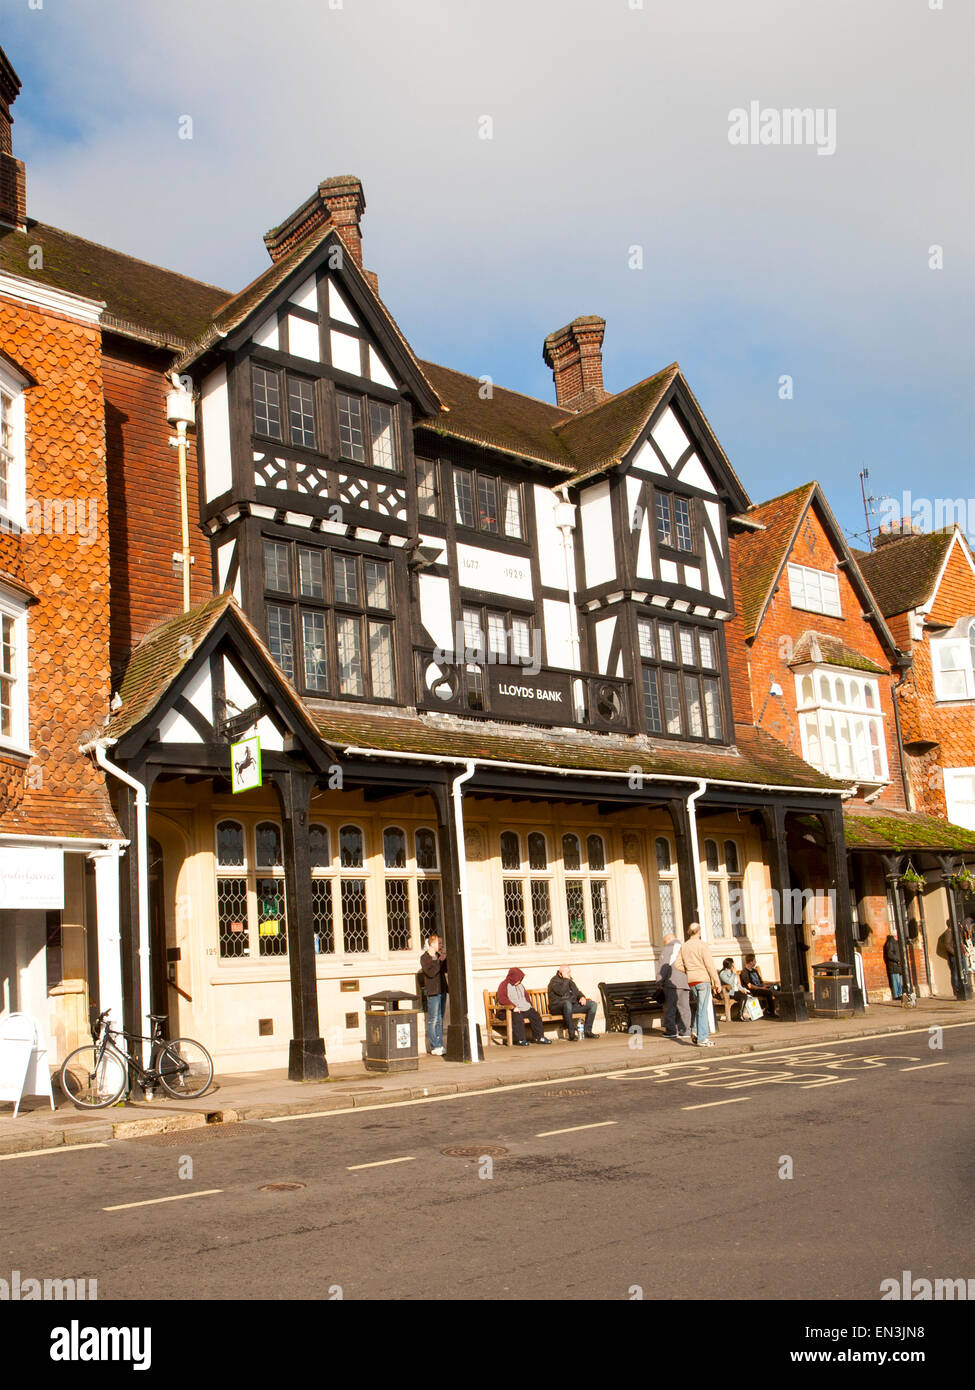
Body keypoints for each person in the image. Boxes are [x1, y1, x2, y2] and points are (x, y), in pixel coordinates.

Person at [675, 922, 720, 1047]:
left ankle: (695, 1031)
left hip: (692, 980)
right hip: (703, 980)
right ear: (699, 931)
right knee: (703, 1009)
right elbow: (710, 965)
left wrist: (689, 970)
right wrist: (717, 982)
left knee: (700, 1008)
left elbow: (677, 964)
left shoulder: (684, 946)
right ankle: (702, 1038)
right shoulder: (702, 945)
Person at [497, 967, 552, 1045]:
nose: (519, 981)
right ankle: (521, 1039)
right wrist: (513, 1007)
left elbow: (526, 996)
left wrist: (530, 1006)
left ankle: (539, 1037)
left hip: (522, 1008)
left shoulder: (520, 985)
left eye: (520, 979)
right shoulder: (504, 985)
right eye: (518, 979)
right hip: (507, 1010)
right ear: (513, 977)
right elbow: (502, 998)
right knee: (517, 1017)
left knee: (535, 1015)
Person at [547, 966, 599, 1040]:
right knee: (567, 1003)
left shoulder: (569, 980)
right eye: (567, 972)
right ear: (560, 973)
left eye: (569, 972)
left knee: (592, 1004)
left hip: (571, 1006)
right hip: (557, 1007)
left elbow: (577, 992)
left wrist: (581, 997)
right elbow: (561, 992)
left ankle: (587, 1031)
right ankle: (571, 1034)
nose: (569, 974)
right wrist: (566, 979)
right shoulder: (554, 981)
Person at [419, 933, 448, 1055]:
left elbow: (445, 970)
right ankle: (434, 1045)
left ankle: (440, 1043)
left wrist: (444, 958)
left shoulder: (438, 956)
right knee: (433, 1019)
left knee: (440, 1019)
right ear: (432, 943)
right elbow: (431, 973)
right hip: (433, 991)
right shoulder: (424, 958)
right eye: (439, 943)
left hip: (442, 989)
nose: (440, 945)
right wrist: (438, 961)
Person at [659, 931, 690, 1040]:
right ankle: (686, 1030)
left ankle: (671, 1031)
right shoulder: (684, 947)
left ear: (667, 940)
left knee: (670, 1007)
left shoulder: (668, 948)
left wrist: (660, 981)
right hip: (685, 982)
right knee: (685, 1008)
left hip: (672, 982)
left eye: (664, 942)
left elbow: (664, 966)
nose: (664, 944)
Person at [883, 929, 903, 1000]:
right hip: (894, 964)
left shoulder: (897, 942)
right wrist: (897, 960)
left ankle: (900, 994)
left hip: (898, 964)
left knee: (900, 981)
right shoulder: (890, 943)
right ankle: (896, 995)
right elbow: (889, 954)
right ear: (895, 935)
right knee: (895, 980)